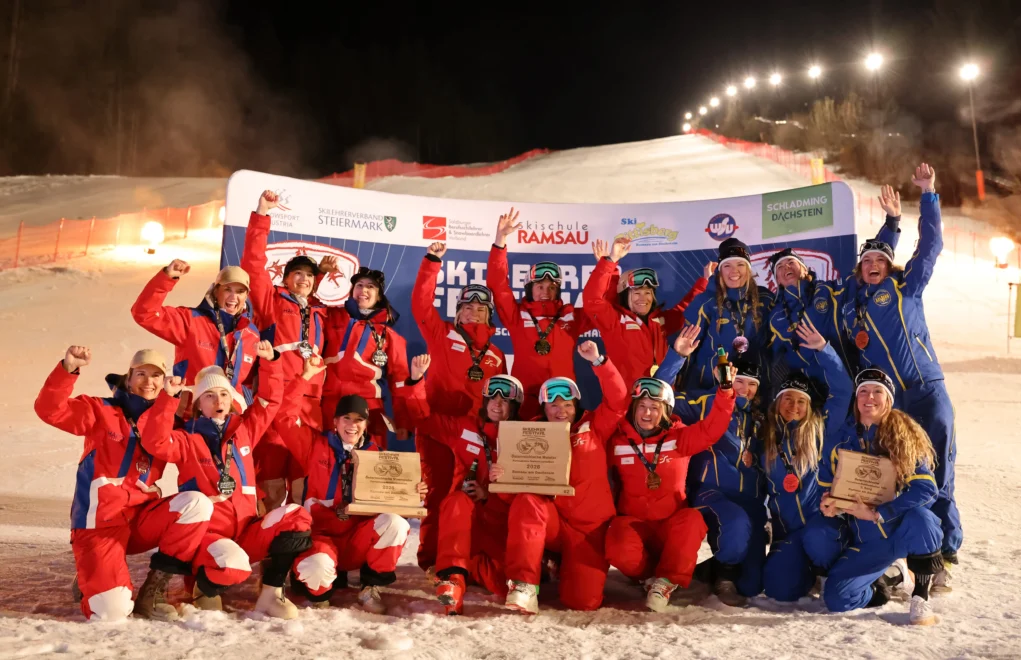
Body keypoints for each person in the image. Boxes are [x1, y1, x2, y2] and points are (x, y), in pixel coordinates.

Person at [835, 164, 960, 588]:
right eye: (866, 261)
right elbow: (873, 252)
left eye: (879, 260)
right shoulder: (852, 306)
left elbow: (931, 246)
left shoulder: (907, 287)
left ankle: (941, 553)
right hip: (891, 405)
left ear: (889, 266)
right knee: (895, 474)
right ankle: (893, 552)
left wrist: (927, 195)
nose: (873, 264)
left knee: (938, 470)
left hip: (926, 389)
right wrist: (886, 229)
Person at [35, 346, 213, 622]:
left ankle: (152, 592)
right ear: (128, 379)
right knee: (112, 612)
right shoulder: (99, 410)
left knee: (196, 504)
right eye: (140, 373)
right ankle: (91, 578)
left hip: (141, 519)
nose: (148, 381)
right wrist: (67, 370)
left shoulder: (167, 421)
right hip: (100, 523)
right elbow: (50, 410)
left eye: (156, 375)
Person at [139, 341, 314, 620]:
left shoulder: (244, 430)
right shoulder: (187, 439)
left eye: (223, 393)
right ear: (198, 404)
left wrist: (270, 362)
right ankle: (203, 586)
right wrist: (168, 400)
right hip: (209, 536)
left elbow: (270, 402)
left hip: (245, 530)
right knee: (235, 568)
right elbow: (156, 441)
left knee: (297, 517)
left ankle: (271, 594)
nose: (218, 401)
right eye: (209, 396)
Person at [273, 357, 425, 614]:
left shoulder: (377, 454)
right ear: (335, 421)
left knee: (396, 524)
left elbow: (390, 499)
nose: (352, 425)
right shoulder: (313, 445)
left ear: (366, 424)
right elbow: (284, 418)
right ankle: (322, 588)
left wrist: (411, 491)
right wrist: (303, 378)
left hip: (356, 537)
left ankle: (370, 584)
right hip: (321, 536)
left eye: (359, 420)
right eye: (346, 418)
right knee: (315, 571)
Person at [502, 341, 629, 613]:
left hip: (587, 529)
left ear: (576, 405)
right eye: (553, 405)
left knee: (583, 602)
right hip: (553, 522)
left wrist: (599, 362)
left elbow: (619, 399)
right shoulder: (529, 432)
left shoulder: (594, 425)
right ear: (544, 409)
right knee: (527, 500)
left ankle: (559, 565)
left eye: (567, 404)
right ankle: (524, 584)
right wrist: (502, 477)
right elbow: (511, 494)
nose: (561, 410)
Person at [815, 368, 944, 626]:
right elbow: (829, 488)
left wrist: (880, 513)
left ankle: (920, 594)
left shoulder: (903, 437)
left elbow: (926, 488)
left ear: (888, 399)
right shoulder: (842, 440)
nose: (869, 397)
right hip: (869, 541)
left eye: (877, 391)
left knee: (923, 519)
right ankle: (889, 577)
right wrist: (832, 506)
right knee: (838, 599)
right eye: (863, 391)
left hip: (899, 530)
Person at [411, 241, 507, 572]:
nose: (473, 312)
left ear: (489, 315)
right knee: (437, 494)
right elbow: (421, 306)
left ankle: (468, 553)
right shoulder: (441, 334)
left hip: (476, 436)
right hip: (438, 428)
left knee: (473, 494)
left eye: (480, 309)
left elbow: (502, 398)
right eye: (467, 307)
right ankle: (429, 559)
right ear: (458, 312)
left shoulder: (496, 355)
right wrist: (432, 262)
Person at [605, 370, 735, 612]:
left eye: (654, 407)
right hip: (635, 524)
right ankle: (647, 578)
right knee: (615, 539)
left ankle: (666, 581)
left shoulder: (679, 438)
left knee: (692, 520)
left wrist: (725, 393)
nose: (646, 413)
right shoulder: (618, 440)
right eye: (641, 406)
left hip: (669, 526)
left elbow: (712, 429)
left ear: (665, 411)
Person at [404, 363, 525, 615]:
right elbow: (423, 419)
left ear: (514, 407)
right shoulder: (465, 428)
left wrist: (489, 495)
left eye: (504, 401)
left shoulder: (527, 437)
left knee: (503, 585)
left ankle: (463, 566)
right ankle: (453, 582)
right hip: (464, 519)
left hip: (500, 521)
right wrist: (416, 382)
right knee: (457, 500)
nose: (497, 404)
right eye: (492, 398)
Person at [242, 190, 329, 510]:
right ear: (287, 279)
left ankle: (303, 539)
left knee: (306, 472)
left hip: (311, 402)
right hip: (278, 395)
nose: (304, 280)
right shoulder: (273, 303)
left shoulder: (321, 311)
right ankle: (269, 541)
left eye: (309, 275)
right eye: (298, 274)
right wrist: (262, 214)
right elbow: (253, 264)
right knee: (274, 468)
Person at [757, 319, 853, 603]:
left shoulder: (823, 428)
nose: (794, 406)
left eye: (801, 401)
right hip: (790, 531)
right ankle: (805, 572)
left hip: (823, 524)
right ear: (777, 402)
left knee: (819, 541)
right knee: (777, 589)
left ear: (810, 406)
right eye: (787, 399)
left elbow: (843, 390)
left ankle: (829, 571)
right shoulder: (766, 438)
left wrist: (825, 350)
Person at [768, 184, 902, 378]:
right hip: (811, 390)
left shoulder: (830, 290)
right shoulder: (775, 315)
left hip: (853, 374)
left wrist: (892, 223)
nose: (786, 268)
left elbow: (871, 263)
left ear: (805, 269)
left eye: (791, 263)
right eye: (779, 268)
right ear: (777, 281)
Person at [672, 344, 768, 607]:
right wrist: (676, 356)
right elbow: (660, 395)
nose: (744, 389)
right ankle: (723, 576)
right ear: (725, 378)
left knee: (752, 584)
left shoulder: (761, 418)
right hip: (711, 493)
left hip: (749, 500)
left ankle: (706, 573)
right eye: (738, 381)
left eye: (751, 384)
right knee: (736, 522)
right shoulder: (705, 403)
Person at [487, 208, 588, 418]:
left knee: (559, 449)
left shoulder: (572, 317)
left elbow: (601, 307)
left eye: (552, 287)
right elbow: (497, 285)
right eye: (540, 286)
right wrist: (500, 240)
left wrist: (611, 265)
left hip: (560, 403)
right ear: (530, 290)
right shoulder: (517, 315)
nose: (545, 292)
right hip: (526, 400)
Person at [131, 260, 262, 412]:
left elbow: (250, 382)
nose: (233, 297)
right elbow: (144, 313)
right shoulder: (190, 321)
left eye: (240, 291)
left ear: (246, 295)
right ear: (216, 290)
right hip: (191, 415)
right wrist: (166, 278)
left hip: (230, 418)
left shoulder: (251, 333)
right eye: (228, 289)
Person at [583, 236, 709, 388]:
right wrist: (610, 261)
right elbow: (593, 300)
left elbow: (687, 306)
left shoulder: (661, 319)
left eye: (648, 293)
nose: (643, 298)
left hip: (660, 399)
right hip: (627, 401)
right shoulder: (614, 320)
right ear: (625, 296)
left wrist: (705, 281)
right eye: (636, 293)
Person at [318, 263, 411, 449]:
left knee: (368, 472)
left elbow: (399, 381)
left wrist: (403, 422)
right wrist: (320, 274)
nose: (363, 290)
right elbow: (305, 306)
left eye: (370, 286)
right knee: (325, 465)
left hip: (369, 412)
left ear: (379, 295)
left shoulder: (390, 336)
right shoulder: (331, 316)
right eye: (359, 285)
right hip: (331, 408)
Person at [683, 238, 774, 393]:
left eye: (740, 264)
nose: (734, 271)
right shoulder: (705, 302)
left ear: (748, 269)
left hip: (752, 387)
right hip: (710, 385)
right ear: (720, 270)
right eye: (727, 265)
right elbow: (688, 350)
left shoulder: (764, 298)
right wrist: (682, 385)